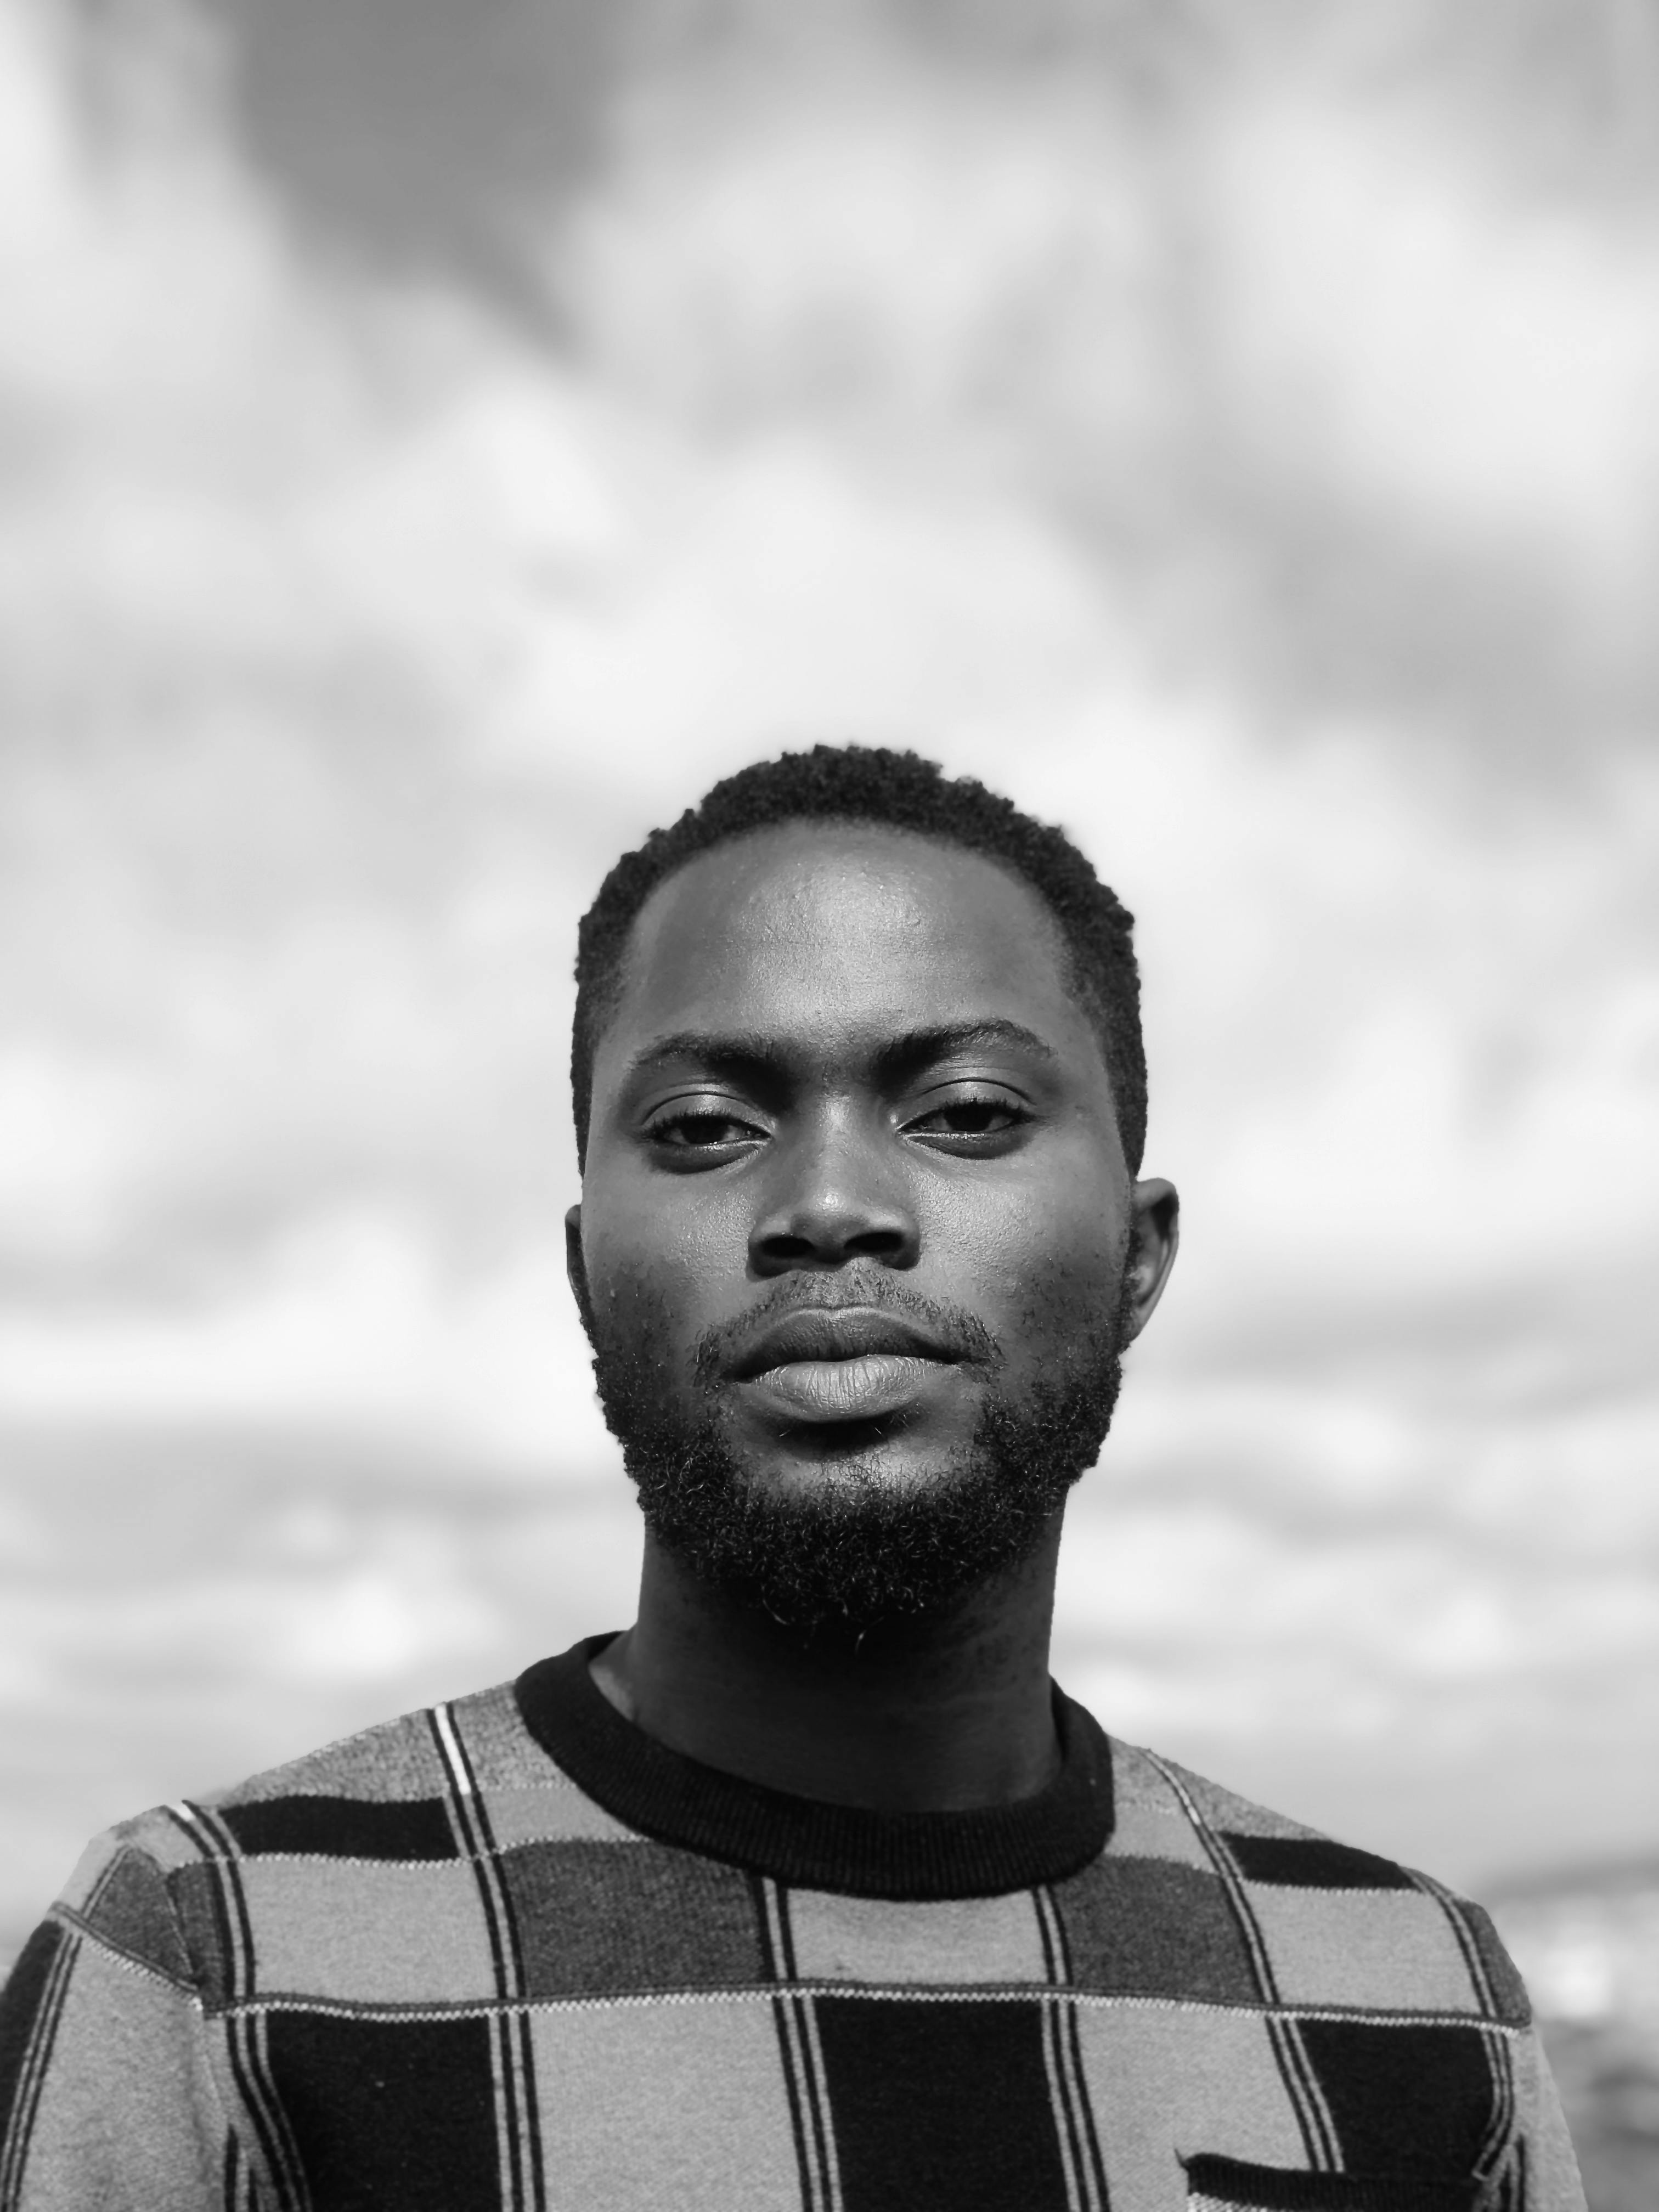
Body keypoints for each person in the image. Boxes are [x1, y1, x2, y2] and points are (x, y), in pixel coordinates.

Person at [0, 746, 1583, 2211]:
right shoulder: (217, 1964)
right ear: (584, 1269)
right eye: (703, 1128)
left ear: (1139, 1257)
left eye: (966, 1113)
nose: (829, 1202)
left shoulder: (1414, 2007)